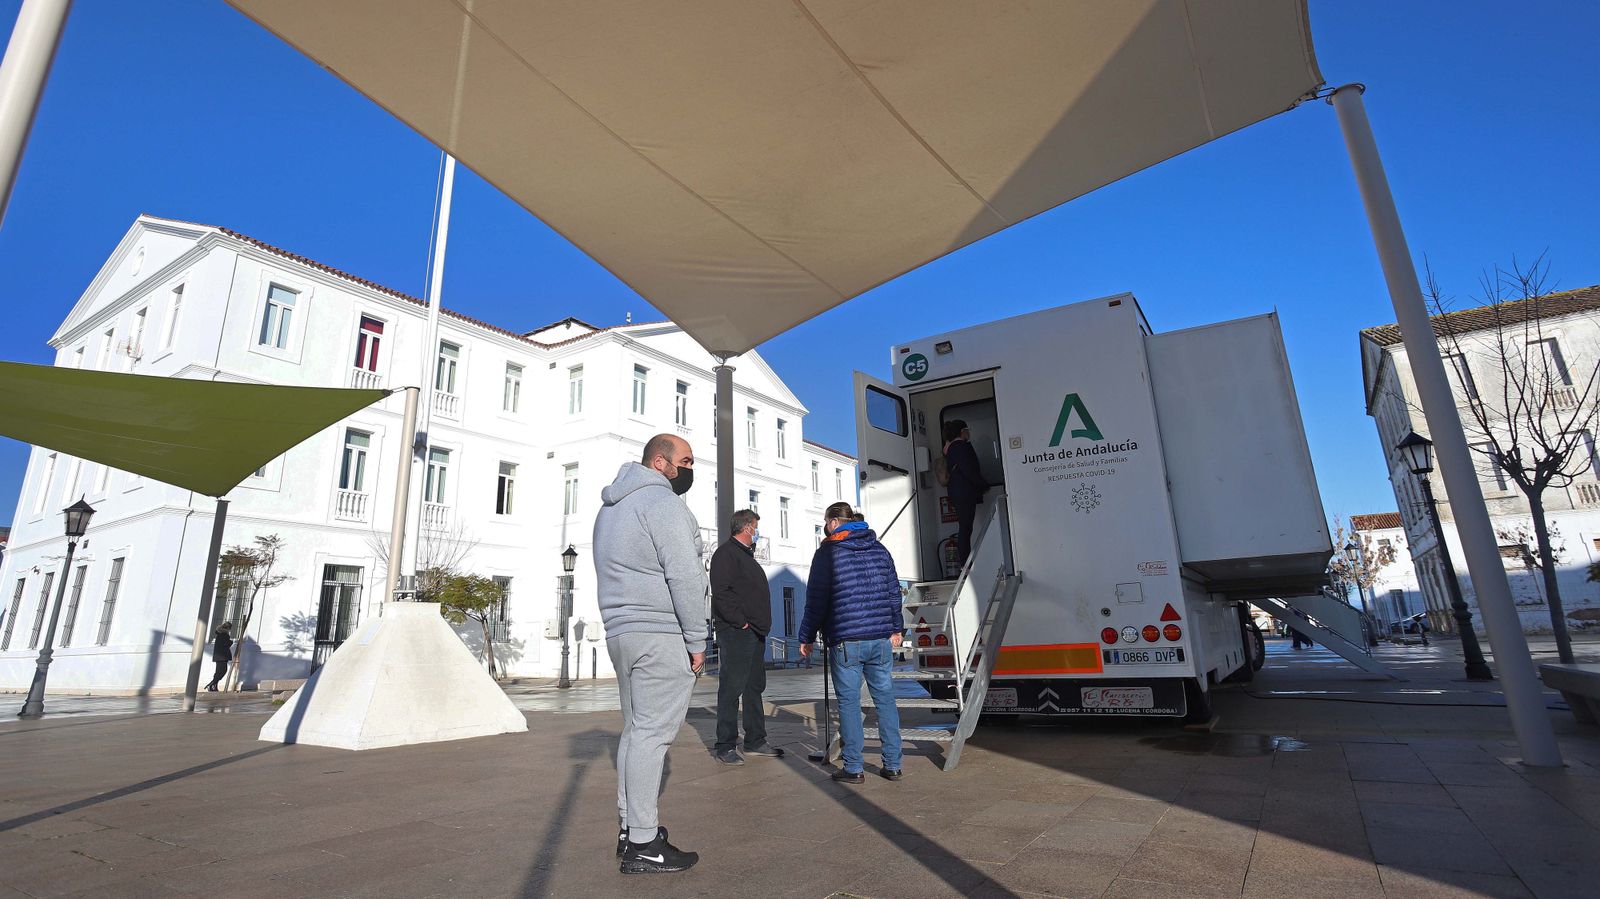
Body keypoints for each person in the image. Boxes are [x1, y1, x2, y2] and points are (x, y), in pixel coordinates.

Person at [595, 433, 708, 874]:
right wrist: (697, 640)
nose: (690, 469)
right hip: (659, 633)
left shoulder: (610, 509)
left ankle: (631, 829)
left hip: (621, 632)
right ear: (660, 463)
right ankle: (643, 843)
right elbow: (683, 574)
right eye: (686, 461)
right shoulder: (663, 505)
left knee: (635, 733)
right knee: (651, 736)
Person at [799, 502, 905, 784]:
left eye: (825, 521)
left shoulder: (828, 553)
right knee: (885, 700)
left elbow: (816, 600)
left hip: (847, 640)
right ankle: (893, 765)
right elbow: (894, 592)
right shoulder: (879, 549)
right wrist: (897, 627)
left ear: (834, 522)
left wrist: (807, 636)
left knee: (848, 702)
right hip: (880, 638)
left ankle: (854, 767)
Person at [710, 509, 783, 765]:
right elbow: (722, 593)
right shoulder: (725, 554)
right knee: (731, 688)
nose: (757, 532)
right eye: (755, 526)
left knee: (754, 688)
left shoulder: (746, 556)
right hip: (737, 633)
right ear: (746, 527)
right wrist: (740, 622)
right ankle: (725, 745)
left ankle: (755, 740)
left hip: (755, 633)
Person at [943, 420, 989, 569]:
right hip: (964, 492)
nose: (969, 433)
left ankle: (965, 563)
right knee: (965, 527)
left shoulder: (951, 448)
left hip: (958, 492)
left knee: (965, 526)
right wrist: (983, 485)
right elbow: (969, 470)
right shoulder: (960, 447)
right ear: (962, 432)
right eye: (967, 430)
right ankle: (965, 565)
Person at [204, 621, 233, 691]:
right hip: (222, 656)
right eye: (230, 628)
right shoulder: (224, 634)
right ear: (228, 628)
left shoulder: (220, 634)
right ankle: (211, 684)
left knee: (218, 672)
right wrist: (231, 642)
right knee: (223, 671)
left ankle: (213, 686)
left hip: (219, 656)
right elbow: (225, 644)